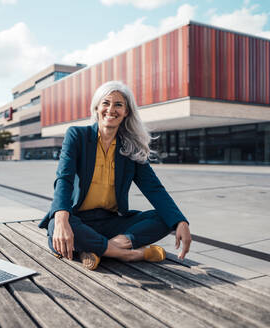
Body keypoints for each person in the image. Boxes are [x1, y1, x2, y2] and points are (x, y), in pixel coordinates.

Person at [38, 81, 191, 270]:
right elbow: (64, 178)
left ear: (126, 112)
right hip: (77, 218)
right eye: (106, 103)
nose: (111, 109)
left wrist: (181, 221)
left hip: (110, 221)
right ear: (96, 107)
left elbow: (154, 189)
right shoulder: (77, 136)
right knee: (56, 226)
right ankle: (129, 254)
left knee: (164, 218)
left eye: (118, 104)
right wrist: (61, 219)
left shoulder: (130, 147)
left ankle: (98, 248)